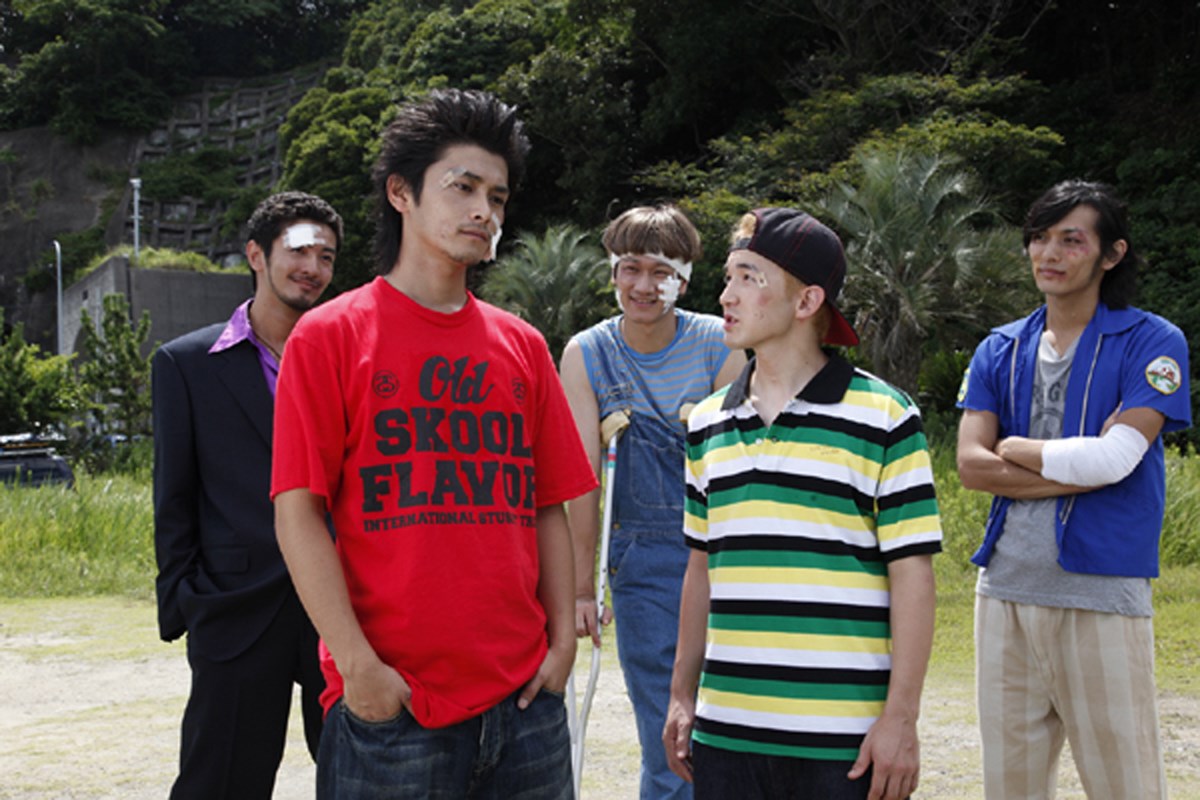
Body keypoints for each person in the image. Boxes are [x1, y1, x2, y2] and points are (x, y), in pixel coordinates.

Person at [270, 88, 597, 799]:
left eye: (498, 197)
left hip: (525, 704)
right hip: (393, 709)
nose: (485, 211)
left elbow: (546, 505)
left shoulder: (523, 345)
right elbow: (298, 514)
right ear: (401, 193)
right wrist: (358, 667)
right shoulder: (329, 337)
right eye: (463, 187)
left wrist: (561, 648)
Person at [663, 207, 942, 800]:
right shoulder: (706, 422)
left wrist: (901, 718)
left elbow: (913, 576)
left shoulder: (886, 417)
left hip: (843, 742)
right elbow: (700, 569)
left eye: (749, 278)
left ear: (808, 301)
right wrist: (682, 696)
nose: (726, 296)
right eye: (729, 277)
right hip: (726, 733)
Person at [956, 179, 1191, 799]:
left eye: (1071, 240)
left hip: (1101, 593)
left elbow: (1117, 459)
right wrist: (1082, 471)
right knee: (1010, 786)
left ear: (1111, 254)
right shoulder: (1000, 347)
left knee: (1124, 785)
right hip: (1004, 589)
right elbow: (971, 467)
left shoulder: (1152, 342)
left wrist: (1019, 448)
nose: (1049, 254)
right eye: (1039, 238)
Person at [153, 190, 343, 799]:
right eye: (299, 251)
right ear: (256, 255)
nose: (312, 267)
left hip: (342, 606)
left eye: (327, 257)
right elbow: (174, 495)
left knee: (362, 778)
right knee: (220, 782)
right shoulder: (185, 363)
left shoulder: (349, 358)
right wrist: (186, 600)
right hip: (235, 605)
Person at [560, 204, 746, 799]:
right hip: (640, 563)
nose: (644, 285)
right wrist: (582, 589)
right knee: (668, 738)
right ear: (613, 273)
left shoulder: (719, 341)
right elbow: (583, 479)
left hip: (722, 555)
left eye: (661, 272)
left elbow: (736, 463)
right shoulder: (587, 353)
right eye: (631, 269)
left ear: (684, 280)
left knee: (731, 730)